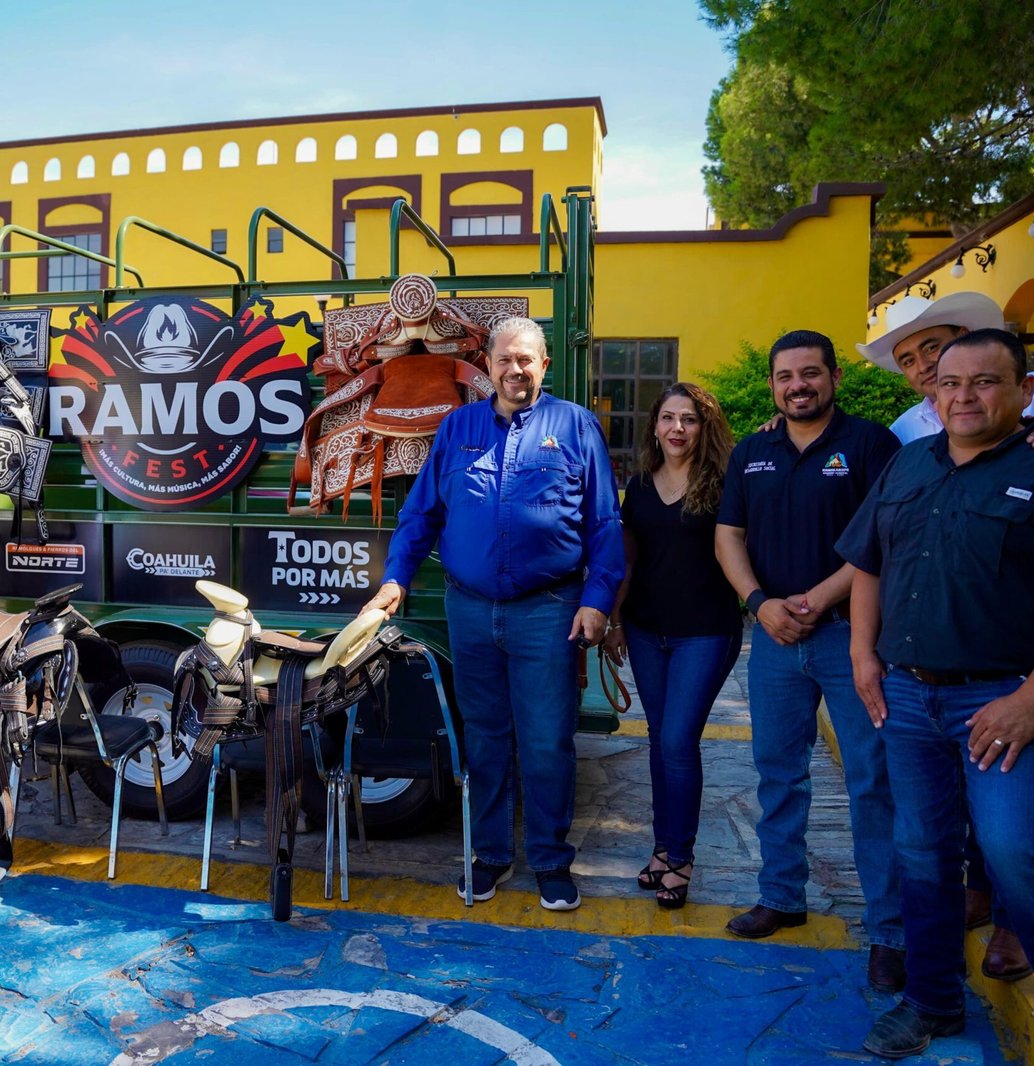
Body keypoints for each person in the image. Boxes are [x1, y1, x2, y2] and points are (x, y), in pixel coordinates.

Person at [838, 328, 1034, 1061]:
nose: (964, 396)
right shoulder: (910, 461)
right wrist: (862, 656)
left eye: (985, 381)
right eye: (951, 383)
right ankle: (933, 1001)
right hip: (909, 698)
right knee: (921, 850)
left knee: (1018, 855)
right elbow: (870, 564)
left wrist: (1032, 702)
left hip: (1009, 699)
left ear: (1024, 391)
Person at [365, 317, 623, 911]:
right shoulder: (459, 427)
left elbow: (605, 522)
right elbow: (421, 514)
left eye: (526, 359)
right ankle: (490, 856)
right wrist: (396, 577)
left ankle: (551, 861)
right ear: (488, 365)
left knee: (548, 740)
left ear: (544, 365)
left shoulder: (575, 426)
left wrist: (597, 601)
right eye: (505, 359)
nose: (515, 370)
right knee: (484, 738)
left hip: (549, 611)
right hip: (471, 610)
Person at [714, 330, 907, 992]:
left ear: (834, 378)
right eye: (785, 376)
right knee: (778, 774)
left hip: (851, 637)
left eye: (810, 373)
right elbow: (728, 535)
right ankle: (781, 895)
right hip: (773, 640)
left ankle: (889, 930)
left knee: (871, 782)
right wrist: (759, 602)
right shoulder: (754, 450)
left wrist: (817, 599)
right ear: (772, 385)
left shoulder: (871, 444)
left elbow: (882, 538)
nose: (798, 385)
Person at [604, 383, 742, 909]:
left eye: (689, 419)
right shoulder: (640, 485)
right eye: (668, 418)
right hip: (645, 630)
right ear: (655, 427)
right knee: (660, 741)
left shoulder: (724, 482)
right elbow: (629, 559)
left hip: (705, 631)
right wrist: (616, 619)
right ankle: (663, 848)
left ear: (705, 428)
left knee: (679, 741)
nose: (677, 428)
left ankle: (680, 857)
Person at [857, 292, 1034, 446]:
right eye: (908, 361)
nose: (923, 365)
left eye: (932, 347)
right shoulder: (904, 429)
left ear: (963, 337)